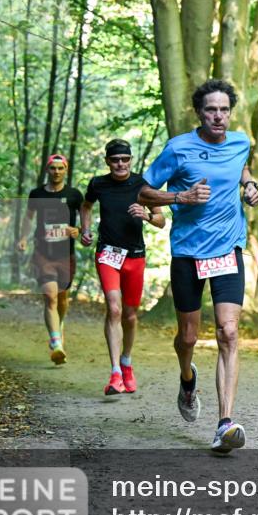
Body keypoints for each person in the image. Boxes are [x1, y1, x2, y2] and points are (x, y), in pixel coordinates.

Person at [138, 79, 258, 453]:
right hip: (189, 254)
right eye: (211, 110)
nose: (218, 116)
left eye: (224, 109)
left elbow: (241, 166)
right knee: (188, 338)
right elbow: (142, 190)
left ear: (230, 112)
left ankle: (225, 422)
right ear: (199, 112)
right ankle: (187, 379)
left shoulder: (240, 142)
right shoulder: (179, 149)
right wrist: (181, 196)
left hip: (228, 250)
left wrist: (250, 184)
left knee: (228, 332)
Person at [80, 139, 166, 396]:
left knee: (129, 315)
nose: (120, 164)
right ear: (107, 161)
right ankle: (115, 372)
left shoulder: (142, 185)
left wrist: (147, 215)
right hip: (107, 254)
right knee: (114, 309)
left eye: (125, 159)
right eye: (115, 159)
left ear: (131, 160)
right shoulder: (98, 184)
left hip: (135, 256)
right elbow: (86, 206)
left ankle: (127, 362)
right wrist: (85, 229)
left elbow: (161, 220)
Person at [18, 154, 83, 365]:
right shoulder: (36, 194)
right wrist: (23, 239)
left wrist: (79, 230)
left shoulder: (74, 195)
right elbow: (28, 218)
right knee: (50, 297)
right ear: (48, 170)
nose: (56, 172)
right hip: (43, 253)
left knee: (62, 299)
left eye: (60, 168)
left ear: (66, 170)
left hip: (66, 254)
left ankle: (58, 326)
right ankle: (56, 343)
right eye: (53, 168)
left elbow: (86, 218)